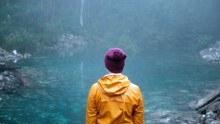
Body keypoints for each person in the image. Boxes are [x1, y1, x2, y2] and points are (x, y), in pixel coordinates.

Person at [86, 48, 144, 124]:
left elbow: (90, 120)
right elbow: (139, 121)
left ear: (106, 65)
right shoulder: (135, 90)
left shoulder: (95, 89)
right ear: (123, 65)